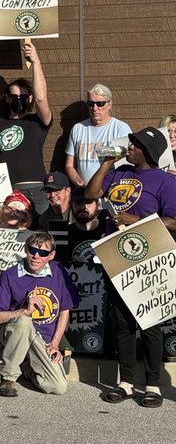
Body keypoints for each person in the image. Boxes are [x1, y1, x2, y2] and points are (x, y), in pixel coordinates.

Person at [83, 127, 176, 407]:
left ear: (148, 151)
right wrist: (106, 164)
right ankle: (125, 382)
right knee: (122, 321)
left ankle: (152, 384)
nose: (129, 147)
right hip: (116, 254)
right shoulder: (119, 172)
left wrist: (135, 220)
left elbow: (174, 221)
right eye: (131, 142)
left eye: (136, 144)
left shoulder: (165, 181)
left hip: (148, 257)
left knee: (149, 323)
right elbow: (91, 193)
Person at [0, 231, 72, 397]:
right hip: (15, 334)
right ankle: (8, 378)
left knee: (58, 386)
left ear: (51, 255)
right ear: (26, 250)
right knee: (24, 321)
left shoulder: (58, 271)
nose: (36, 256)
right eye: (32, 250)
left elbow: (64, 310)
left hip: (42, 339)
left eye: (43, 253)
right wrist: (24, 311)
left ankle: (26, 368)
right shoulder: (10, 275)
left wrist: (55, 343)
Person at [0, 42, 54, 184]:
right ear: (8, 98)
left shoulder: (37, 121)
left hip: (35, 187)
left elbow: (41, 98)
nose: (18, 99)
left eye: (23, 96)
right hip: (7, 188)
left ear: (30, 98)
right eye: (14, 96)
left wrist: (35, 61)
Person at [64, 84, 132, 186]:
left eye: (100, 104)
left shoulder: (121, 128)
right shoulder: (78, 128)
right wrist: (80, 184)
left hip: (111, 189)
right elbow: (69, 165)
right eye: (91, 103)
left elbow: (127, 163)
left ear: (109, 105)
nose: (95, 108)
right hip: (83, 190)